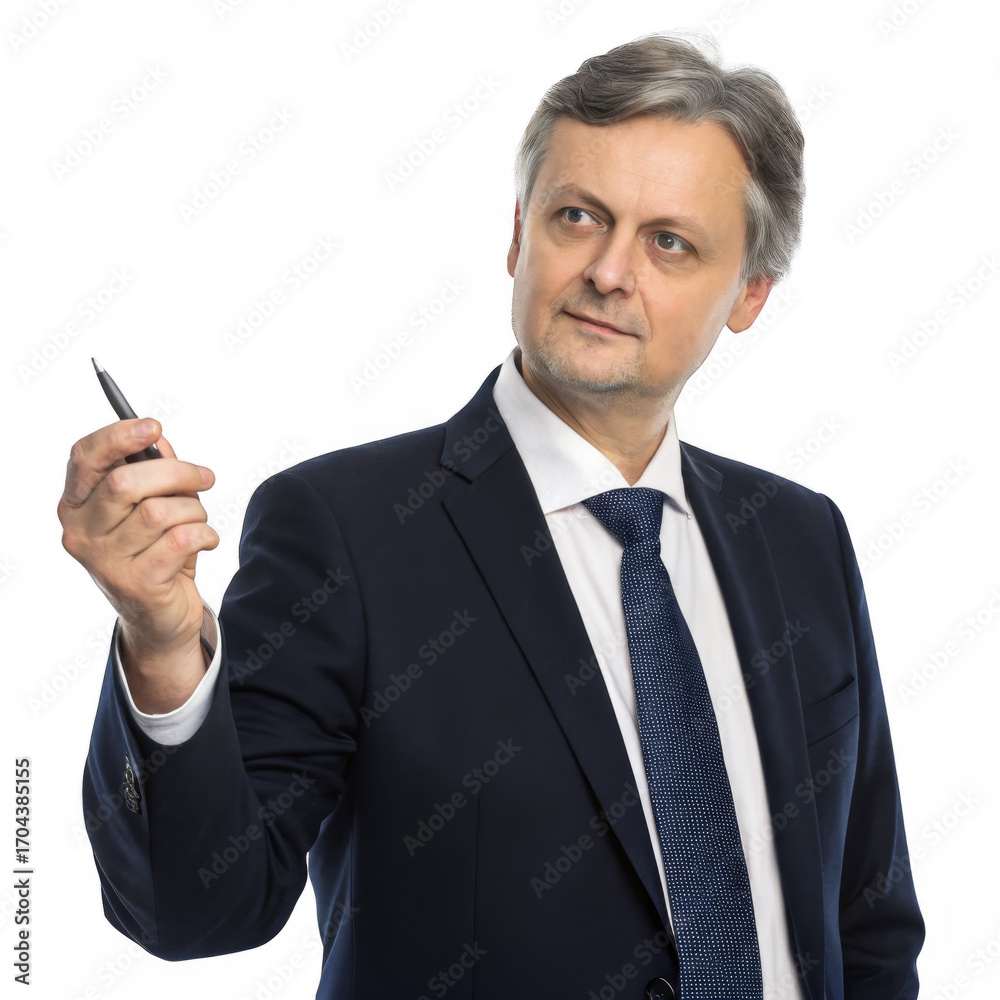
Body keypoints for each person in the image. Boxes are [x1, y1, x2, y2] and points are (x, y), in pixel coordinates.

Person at [60, 31, 924, 999]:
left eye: (669, 242)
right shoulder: (345, 531)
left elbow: (870, 926)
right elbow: (200, 908)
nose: (609, 271)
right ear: (518, 235)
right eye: (577, 217)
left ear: (749, 293)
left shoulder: (803, 539)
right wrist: (161, 643)